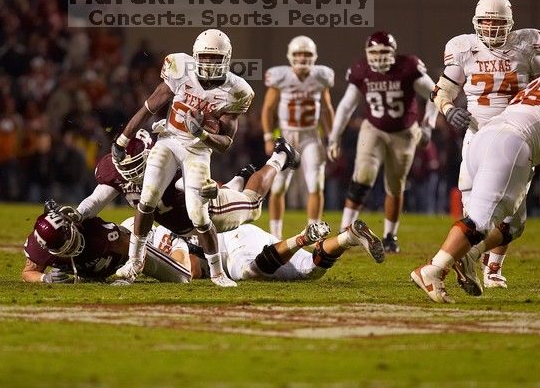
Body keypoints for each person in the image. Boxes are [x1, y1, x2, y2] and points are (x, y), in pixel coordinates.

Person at [411, 45, 540, 303]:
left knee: (512, 225)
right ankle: (433, 269)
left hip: (485, 135)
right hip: (512, 144)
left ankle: (470, 256)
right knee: (480, 222)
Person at [110, 29, 254, 287]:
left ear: (226, 59)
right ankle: (135, 261)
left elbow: (225, 144)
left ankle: (218, 273)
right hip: (169, 140)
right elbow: (149, 106)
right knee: (147, 199)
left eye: (214, 58)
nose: (209, 63)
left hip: (197, 151)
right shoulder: (179, 67)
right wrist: (123, 138)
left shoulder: (237, 90)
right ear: (195, 56)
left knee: (198, 215)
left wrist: (202, 135)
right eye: (205, 57)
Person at [430, 0, 540, 288]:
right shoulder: (464, 48)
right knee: (475, 213)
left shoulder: (527, 46)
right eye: (485, 23)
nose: (492, 29)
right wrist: (448, 110)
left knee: (513, 222)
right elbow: (441, 90)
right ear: (475, 22)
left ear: (510, 24)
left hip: (517, 136)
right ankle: (467, 265)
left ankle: (488, 267)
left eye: (498, 23)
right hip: (478, 133)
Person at [77, 128, 299, 242]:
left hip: (209, 211)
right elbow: (97, 200)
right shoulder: (116, 168)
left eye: (137, 164)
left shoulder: (169, 163)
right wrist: (77, 215)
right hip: (179, 227)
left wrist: (210, 189)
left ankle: (280, 156)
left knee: (253, 204)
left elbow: (195, 188)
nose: (131, 171)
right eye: (126, 165)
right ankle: (239, 178)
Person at [327, 31, 438, 253]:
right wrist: (334, 137)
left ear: (393, 53)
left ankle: (390, 236)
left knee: (395, 186)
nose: (378, 57)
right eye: (374, 52)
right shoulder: (361, 70)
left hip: (404, 132)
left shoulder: (408, 67)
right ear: (367, 53)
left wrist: (428, 125)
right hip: (374, 129)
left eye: (383, 52)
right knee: (363, 175)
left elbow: (436, 93)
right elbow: (347, 106)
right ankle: (343, 231)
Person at [261, 36, 335, 239]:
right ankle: (275, 235)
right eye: (298, 54)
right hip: (286, 137)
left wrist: (332, 137)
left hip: (311, 137)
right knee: (278, 187)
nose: (302, 58)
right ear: (290, 56)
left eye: (307, 54)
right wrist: (268, 136)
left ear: (315, 56)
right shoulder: (280, 77)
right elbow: (268, 108)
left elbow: (327, 109)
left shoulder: (322, 77)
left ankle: (313, 232)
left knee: (316, 185)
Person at [21, 202, 191, 284]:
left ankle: (175, 239)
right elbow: (28, 272)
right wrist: (45, 278)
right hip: (104, 268)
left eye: (73, 239)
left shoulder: (97, 233)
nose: (74, 246)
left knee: (184, 276)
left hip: (129, 247)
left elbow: (133, 248)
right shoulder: (39, 246)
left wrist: (129, 276)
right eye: (68, 247)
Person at [176, 218, 384, 282]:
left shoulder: (160, 236)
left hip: (232, 241)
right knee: (309, 270)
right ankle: (349, 237)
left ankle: (302, 238)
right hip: (249, 237)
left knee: (247, 272)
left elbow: (192, 269)